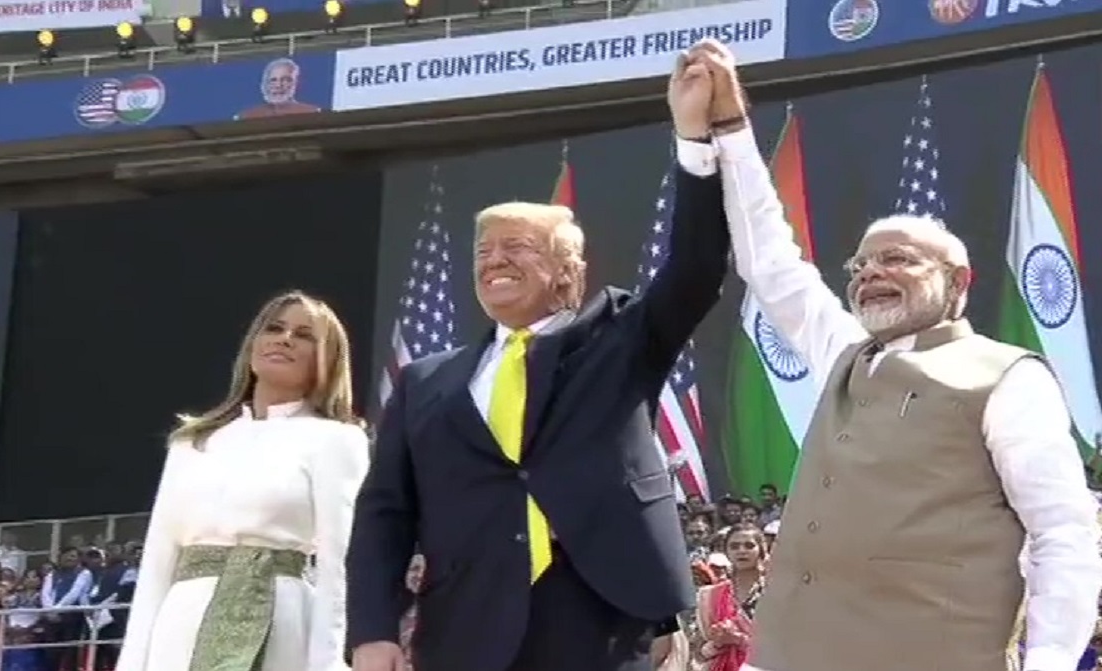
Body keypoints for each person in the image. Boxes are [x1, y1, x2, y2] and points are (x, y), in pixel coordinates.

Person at [683, 41, 1102, 671]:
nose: (870, 273)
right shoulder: (845, 354)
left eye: (898, 258)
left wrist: (1048, 662)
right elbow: (769, 262)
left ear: (960, 281)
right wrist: (729, 131)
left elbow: (1063, 532)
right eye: (861, 263)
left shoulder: (1007, 378)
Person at [346, 42, 731, 671]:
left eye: (517, 247)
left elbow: (695, 267)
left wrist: (692, 137)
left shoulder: (619, 339)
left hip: (605, 616)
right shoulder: (425, 382)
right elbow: (385, 514)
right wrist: (373, 630)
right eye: (483, 253)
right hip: (466, 625)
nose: (494, 260)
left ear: (567, 271)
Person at [114, 290, 370, 671]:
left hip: (280, 617)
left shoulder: (336, 440)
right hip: (181, 621)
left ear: (328, 359)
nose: (284, 338)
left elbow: (338, 564)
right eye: (275, 328)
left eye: (303, 335)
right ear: (253, 343)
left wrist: (327, 661)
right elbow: (157, 559)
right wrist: (132, 662)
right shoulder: (192, 441)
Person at [693, 524, 765, 671]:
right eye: (734, 546)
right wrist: (718, 642)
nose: (741, 551)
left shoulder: (773, 592)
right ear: (726, 552)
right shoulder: (711, 595)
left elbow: (786, 646)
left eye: (749, 545)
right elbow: (699, 651)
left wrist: (739, 640)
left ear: (761, 550)